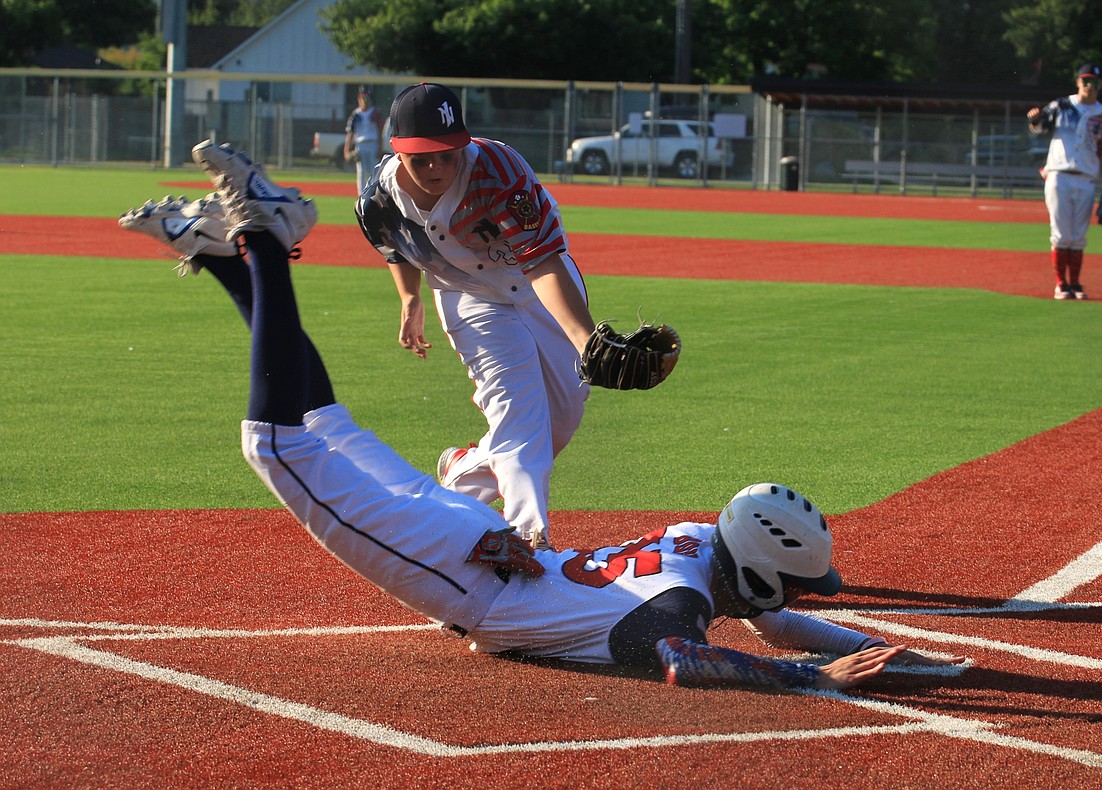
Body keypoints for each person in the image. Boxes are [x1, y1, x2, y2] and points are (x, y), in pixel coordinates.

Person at [118, 141, 962, 692]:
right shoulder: (678, 605)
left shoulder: (696, 542)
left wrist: (903, 658)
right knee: (277, 440)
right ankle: (262, 242)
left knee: (323, 423)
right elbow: (690, 660)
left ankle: (228, 258)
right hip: (466, 574)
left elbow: (776, 616)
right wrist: (816, 679)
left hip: (482, 548)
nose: (795, 599)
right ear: (760, 572)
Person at [355, 82, 600, 550]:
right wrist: (410, 299)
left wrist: (586, 340)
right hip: (470, 298)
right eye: (420, 157)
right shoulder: (376, 204)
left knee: (558, 424)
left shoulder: (499, 171)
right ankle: (530, 536)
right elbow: (395, 250)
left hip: (538, 286)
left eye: (447, 154)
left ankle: (460, 474)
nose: (435, 167)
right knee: (520, 415)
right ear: (396, 150)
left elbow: (543, 262)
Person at [1027, 63, 1102, 300]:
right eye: (1086, 81)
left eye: (1095, 82)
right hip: (1059, 176)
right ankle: (1061, 284)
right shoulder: (1062, 105)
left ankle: (1076, 284)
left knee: (1078, 235)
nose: (1090, 85)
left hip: (1086, 180)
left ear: (1101, 85)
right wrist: (1034, 119)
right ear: (1078, 82)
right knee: (1060, 233)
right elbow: (1039, 126)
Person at [344, 87, 385, 193]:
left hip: (373, 143)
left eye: (367, 98)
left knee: (374, 170)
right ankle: (361, 195)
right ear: (359, 99)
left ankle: (374, 194)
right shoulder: (356, 114)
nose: (365, 100)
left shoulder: (375, 113)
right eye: (362, 97)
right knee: (361, 172)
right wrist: (347, 149)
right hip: (360, 144)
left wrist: (380, 146)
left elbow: (380, 131)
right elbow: (350, 132)